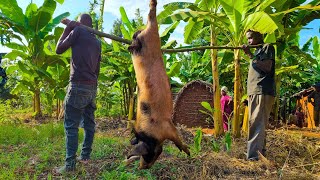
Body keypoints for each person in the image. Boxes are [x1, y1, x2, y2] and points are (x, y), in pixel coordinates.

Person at [55, 14, 101, 173]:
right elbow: (97, 69)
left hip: (78, 85)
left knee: (71, 126)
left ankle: (69, 166)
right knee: (89, 124)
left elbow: (59, 49)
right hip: (92, 86)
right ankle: (86, 156)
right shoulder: (97, 41)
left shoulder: (78, 31)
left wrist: (68, 28)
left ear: (79, 24)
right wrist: (93, 86)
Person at [242, 30, 275, 161]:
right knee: (257, 125)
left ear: (258, 37)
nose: (249, 41)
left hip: (262, 91)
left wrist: (250, 55)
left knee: (257, 124)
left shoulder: (267, 47)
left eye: (251, 38)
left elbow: (267, 67)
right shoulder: (257, 51)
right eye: (248, 39)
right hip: (255, 92)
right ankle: (260, 155)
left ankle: (254, 158)